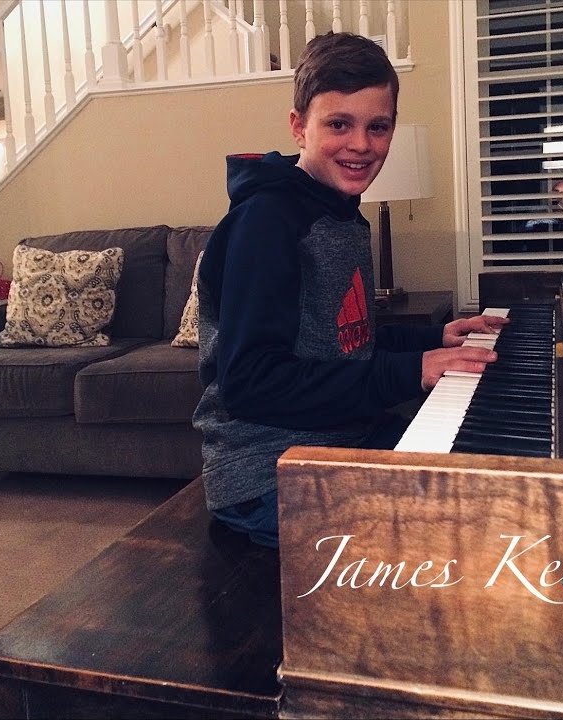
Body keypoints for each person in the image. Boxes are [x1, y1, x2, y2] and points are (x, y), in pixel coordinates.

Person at [191, 32, 508, 548]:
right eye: (339, 124)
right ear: (299, 126)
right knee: (462, 533)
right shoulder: (266, 223)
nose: (361, 144)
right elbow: (251, 383)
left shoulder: (340, 215)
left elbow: (343, 341)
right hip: (268, 472)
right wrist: (410, 370)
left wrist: (436, 338)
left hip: (342, 437)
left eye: (377, 126)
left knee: (492, 473)